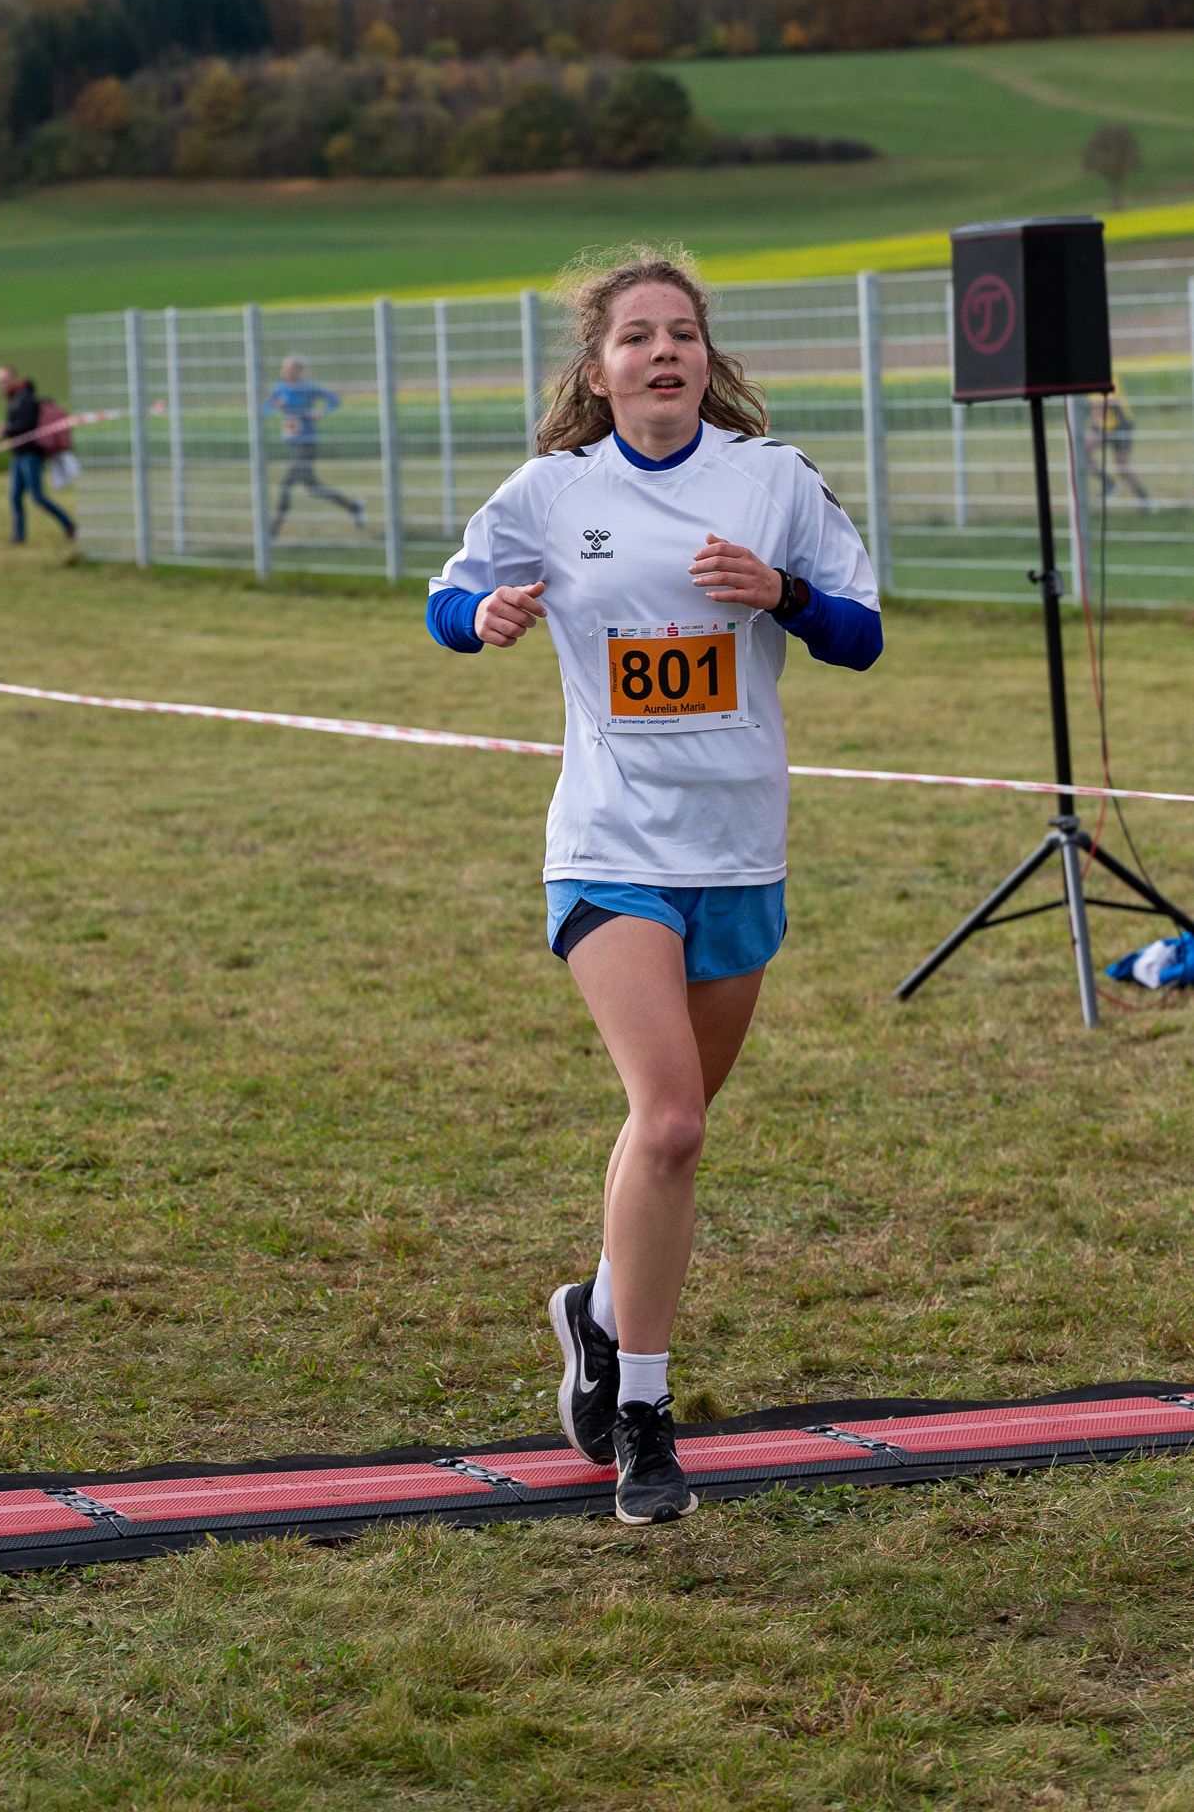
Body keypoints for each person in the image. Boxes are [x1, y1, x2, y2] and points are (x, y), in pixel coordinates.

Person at [426, 252, 883, 1526]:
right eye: (638, 335)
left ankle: (599, 1308)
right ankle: (643, 1412)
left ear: (705, 358)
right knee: (672, 1120)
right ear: (600, 369)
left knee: (668, 1132)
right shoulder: (553, 490)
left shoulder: (772, 479)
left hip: (737, 851)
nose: (663, 351)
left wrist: (783, 594)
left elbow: (861, 631)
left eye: (683, 332)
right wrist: (482, 617)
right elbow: (447, 595)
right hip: (610, 843)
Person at [263, 357, 362, 537]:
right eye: (284, 368)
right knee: (312, 487)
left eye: (290, 368)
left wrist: (321, 412)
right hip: (293, 444)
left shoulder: (308, 388)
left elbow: (334, 400)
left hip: (307, 443)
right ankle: (353, 507)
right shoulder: (280, 388)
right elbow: (265, 409)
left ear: (298, 370)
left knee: (286, 484)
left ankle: (272, 531)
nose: (286, 371)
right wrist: (275, 406)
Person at [0, 367, 76, 544]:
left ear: (13, 378)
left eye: (5, 380)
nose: (2, 384)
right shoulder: (13, 399)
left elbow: (26, 426)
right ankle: (19, 536)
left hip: (30, 455)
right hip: (17, 455)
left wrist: (6, 430)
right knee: (15, 497)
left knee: (38, 497)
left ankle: (69, 524)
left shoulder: (26, 399)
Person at [1085, 387, 1152, 510]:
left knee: (1122, 467)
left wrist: (1093, 404)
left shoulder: (1108, 378)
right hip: (1101, 427)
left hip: (1120, 425)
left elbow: (1114, 401)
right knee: (1082, 452)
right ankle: (1108, 484)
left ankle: (1145, 500)